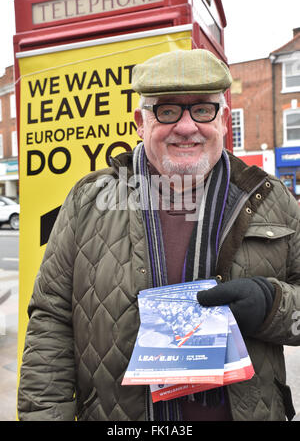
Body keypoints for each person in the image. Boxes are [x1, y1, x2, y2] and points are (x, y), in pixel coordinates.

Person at [18, 49, 300, 422]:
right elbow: (50, 319)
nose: (186, 126)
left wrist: (271, 304)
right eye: (167, 111)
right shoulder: (89, 200)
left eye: (202, 109)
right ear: (141, 122)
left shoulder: (271, 198)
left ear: (224, 119)